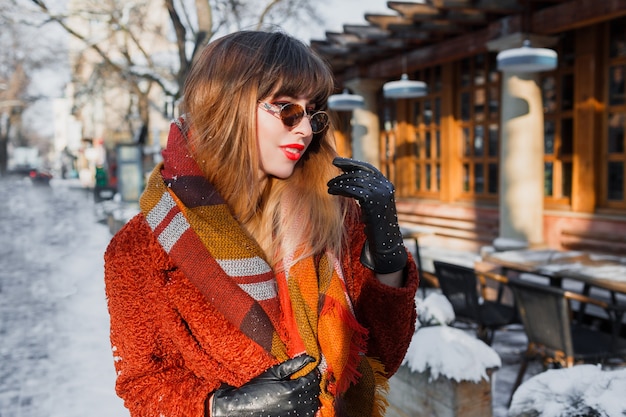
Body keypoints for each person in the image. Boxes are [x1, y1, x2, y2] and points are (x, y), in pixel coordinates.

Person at [104, 29, 418, 417]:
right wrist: (221, 409)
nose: (304, 129)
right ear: (225, 106)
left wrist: (387, 256)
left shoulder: (334, 214)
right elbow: (142, 384)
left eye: (312, 113)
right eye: (287, 109)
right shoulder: (141, 246)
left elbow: (383, 355)